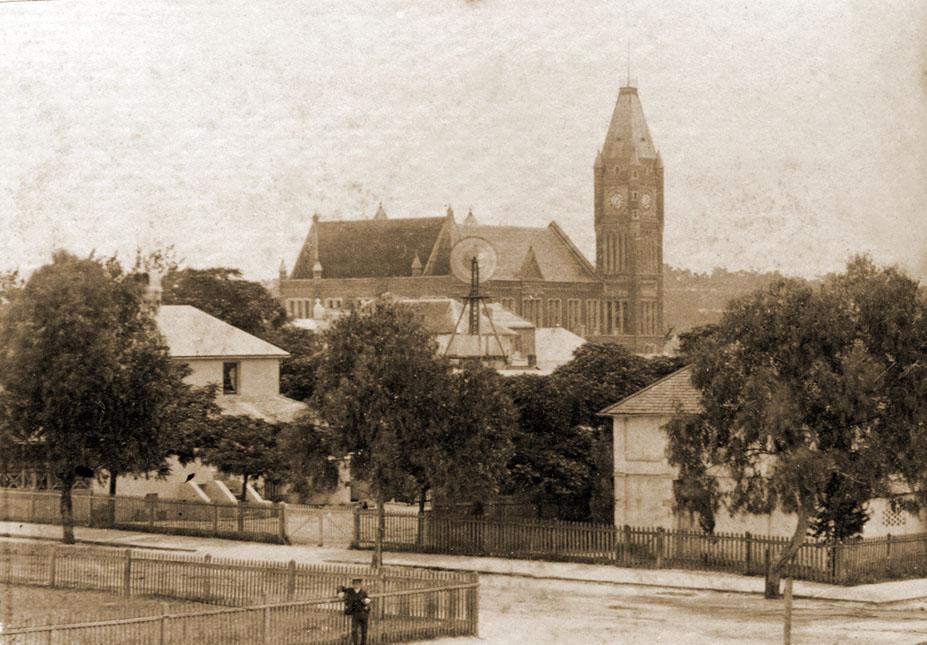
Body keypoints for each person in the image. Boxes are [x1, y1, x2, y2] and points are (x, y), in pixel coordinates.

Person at [338, 578, 371, 645]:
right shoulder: (349, 591)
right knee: (354, 630)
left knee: (364, 631)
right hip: (355, 614)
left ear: (360, 584)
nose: (356, 585)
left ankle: (363, 643)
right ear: (352, 584)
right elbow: (340, 588)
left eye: (358, 583)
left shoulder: (363, 592)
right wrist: (340, 593)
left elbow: (368, 600)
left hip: (364, 614)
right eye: (354, 583)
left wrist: (367, 602)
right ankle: (355, 643)